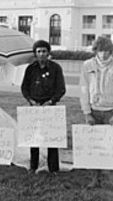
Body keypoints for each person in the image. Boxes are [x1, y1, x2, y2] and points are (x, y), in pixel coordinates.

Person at [79, 36, 113, 191]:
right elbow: (83, 89)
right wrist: (87, 113)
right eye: (100, 50)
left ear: (110, 51)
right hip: (93, 110)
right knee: (94, 147)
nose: (103, 54)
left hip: (110, 112)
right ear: (95, 51)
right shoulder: (87, 65)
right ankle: (95, 179)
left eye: (106, 51)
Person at [21, 40, 66, 174]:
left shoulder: (56, 68)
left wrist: (51, 102)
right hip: (34, 108)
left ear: (48, 52)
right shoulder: (30, 69)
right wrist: (31, 100)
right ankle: (33, 166)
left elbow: (61, 89)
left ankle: (53, 168)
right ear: (35, 53)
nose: (41, 54)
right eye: (39, 51)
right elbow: (24, 88)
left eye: (44, 51)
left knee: (52, 139)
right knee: (33, 139)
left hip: (50, 107)